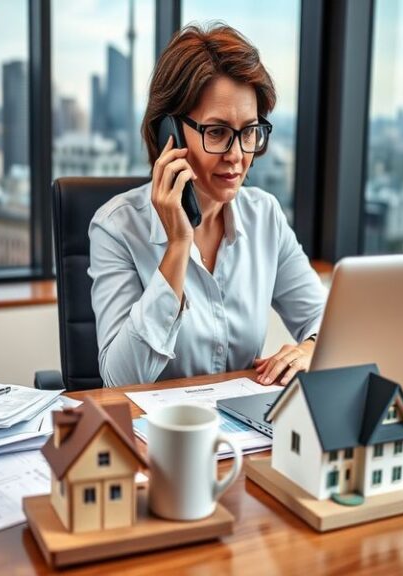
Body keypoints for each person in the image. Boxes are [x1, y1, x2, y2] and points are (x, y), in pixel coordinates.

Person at [88, 24, 326, 388]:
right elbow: (120, 380)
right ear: (170, 132)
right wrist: (178, 247)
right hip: (160, 438)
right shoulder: (117, 228)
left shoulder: (264, 216)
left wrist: (311, 348)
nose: (237, 155)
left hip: (245, 439)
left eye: (249, 131)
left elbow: (326, 319)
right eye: (216, 132)